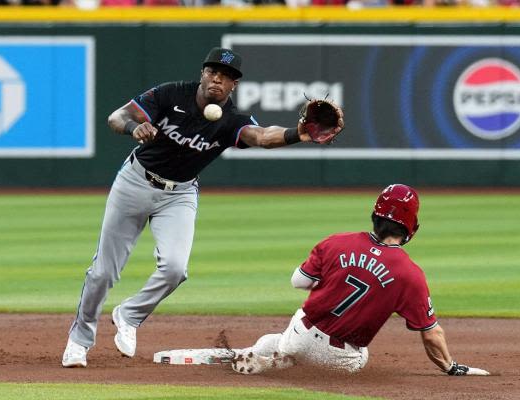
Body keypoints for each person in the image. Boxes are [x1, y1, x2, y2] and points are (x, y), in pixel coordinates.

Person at [61, 47, 343, 368]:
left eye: (226, 77)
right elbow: (117, 117)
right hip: (135, 182)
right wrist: (132, 127)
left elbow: (263, 136)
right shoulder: (170, 95)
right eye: (213, 72)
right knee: (103, 272)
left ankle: (129, 314)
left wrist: (298, 134)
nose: (217, 80)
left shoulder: (232, 120)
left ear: (234, 85)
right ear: (202, 73)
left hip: (179, 194)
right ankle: (79, 341)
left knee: (175, 269)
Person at [232, 184, 490, 377]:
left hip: (300, 331)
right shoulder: (410, 274)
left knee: (281, 341)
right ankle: (281, 362)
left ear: (374, 216)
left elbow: (298, 282)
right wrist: (450, 367)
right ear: (412, 227)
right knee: (361, 357)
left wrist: (335, 278)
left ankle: (261, 354)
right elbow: (431, 334)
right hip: (338, 357)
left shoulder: (336, 242)